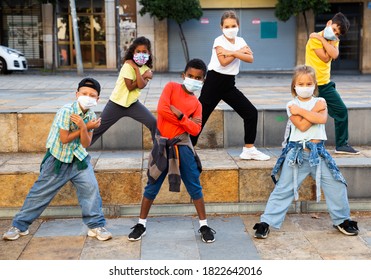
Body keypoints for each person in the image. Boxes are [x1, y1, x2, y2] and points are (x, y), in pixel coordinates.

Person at [253, 65, 359, 239]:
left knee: (337, 184)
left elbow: (322, 119)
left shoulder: (321, 101)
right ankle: (266, 222)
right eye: (301, 83)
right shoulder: (291, 104)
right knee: (283, 189)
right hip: (297, 154)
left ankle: (342, 220)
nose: (305, 86)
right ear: (294, 85)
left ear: (314, 84)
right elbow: (302, 126)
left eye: (308, 83)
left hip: (319, 154)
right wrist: (312, 112)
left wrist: (303, 112)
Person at [2, 78, 112, 241]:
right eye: (84, 93)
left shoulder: (90, 115)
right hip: (57, 161)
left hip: (79, 160)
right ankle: (19, 226)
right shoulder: (66, 110)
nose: (87, 97)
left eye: (92, 95)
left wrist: (84, 126)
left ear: (97, 99)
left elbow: (86, 143)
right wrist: (85, 127)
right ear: (77, 94)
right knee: (39, 194)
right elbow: (64, 139)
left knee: (91, 190)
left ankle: (95, 226)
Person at [128, 59, 216, 243]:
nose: (193, 79)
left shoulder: (197, 105)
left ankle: (204, 225)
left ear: (203, 80)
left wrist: (180, 115)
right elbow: (162, 110)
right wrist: (186, 121)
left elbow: (195, 130)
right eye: (190, 76)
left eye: (198, 78)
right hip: (162, 146)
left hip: (182, 146)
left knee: (194, 185)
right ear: (183, 76)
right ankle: (141, 224)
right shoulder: (171, 87)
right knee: (152, 184)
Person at [190, 10, 270, 161]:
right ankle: (187, 148)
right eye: (227, 26)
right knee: (200, 117)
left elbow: (250, 58)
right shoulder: (218, 41)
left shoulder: (241, 40)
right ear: (221, 27)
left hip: (228, 84)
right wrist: (238, 52)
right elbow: (223, 62)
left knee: (251, 112)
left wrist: (231, 52)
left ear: (238, 25)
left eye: (233, 25)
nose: (230, 28)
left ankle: (249, 149)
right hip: (213, 82)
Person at [305, 12, 359, 155]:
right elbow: (325, 58)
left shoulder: (329, 39)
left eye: (338, 33)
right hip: (313, 86)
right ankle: (300, 144)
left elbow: (334, 55)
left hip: (325, 84)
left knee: (341, 111)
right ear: (329, 23)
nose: (335, 33)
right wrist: (326, 42)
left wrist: (324, 41)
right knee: (308, 115)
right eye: (334, 29)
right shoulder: (314, 39)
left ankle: (341, 145)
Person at [91, 36, 156, 146]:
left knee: (153, 122)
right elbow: (130, 86)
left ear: (149, 53)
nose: (141, 54)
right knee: (97, 129)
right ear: (133, 52)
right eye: (138, 51)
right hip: (116, 104)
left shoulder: (146, 69)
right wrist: (137, 70)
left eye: (144, 51)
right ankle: (77, 152)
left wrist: (143, 74)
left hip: (132, 104)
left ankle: (159, 154)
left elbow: (140, 85)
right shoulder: (127, 66)